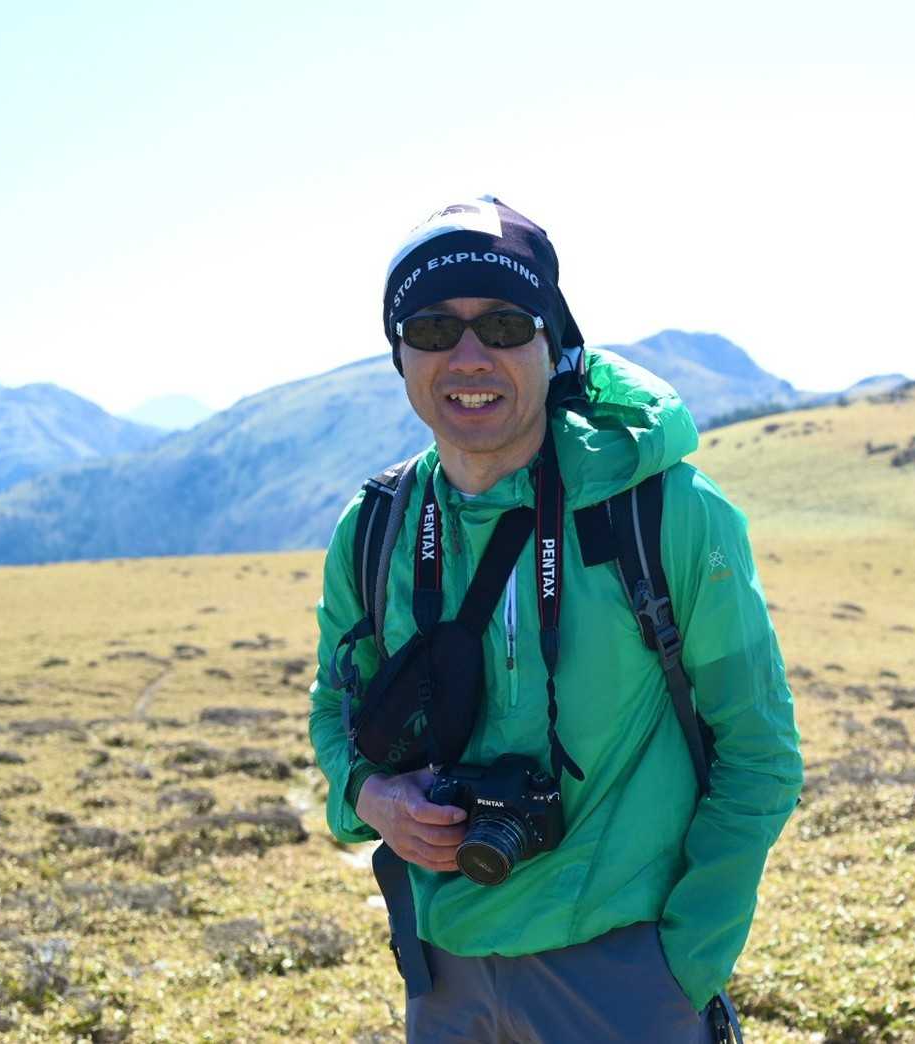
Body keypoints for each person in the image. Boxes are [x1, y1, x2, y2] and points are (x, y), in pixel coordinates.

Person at [307, 195, 803, 1042]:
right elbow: (333, 710)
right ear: (399, 353)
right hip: (442, 975)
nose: (469, 357)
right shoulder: (375, 528)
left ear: (552, 342)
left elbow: (760, 754)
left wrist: (683, 967)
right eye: (433, 328)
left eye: (504, 325)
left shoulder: (664, 510)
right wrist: (373, 796)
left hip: (626, 977)